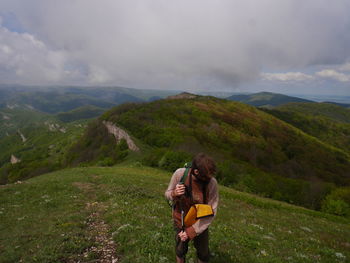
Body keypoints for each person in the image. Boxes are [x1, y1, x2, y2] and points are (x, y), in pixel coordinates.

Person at [165, 153, 219, 263]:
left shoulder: (212, 183)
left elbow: (212, 211)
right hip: (180, 220)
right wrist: (174, 193)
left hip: (200, 223)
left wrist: (192, 231)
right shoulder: (180, 174)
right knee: (180, 250)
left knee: (203, 253)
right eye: (206, 177)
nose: (210, 179)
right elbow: (167, 193)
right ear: (196, 172)